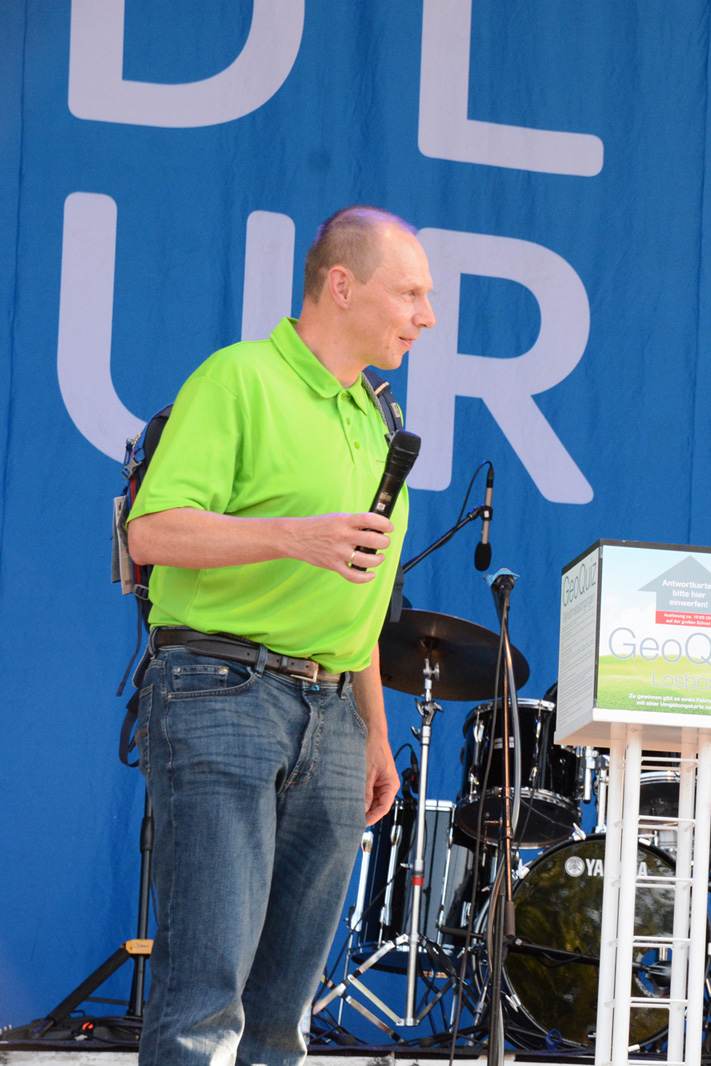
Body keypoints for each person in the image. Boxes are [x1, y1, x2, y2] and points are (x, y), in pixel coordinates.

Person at [125, 206, 434, 1066]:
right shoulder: (239, 378)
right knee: (204, 1003)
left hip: (334, 717)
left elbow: (359, 603)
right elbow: (151, 532)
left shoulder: (376, 417)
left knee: (282, 1016)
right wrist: (296, 536)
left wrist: (375, 734)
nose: (426, 316)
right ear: (342, 285)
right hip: (224, 692)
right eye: (409, 293)